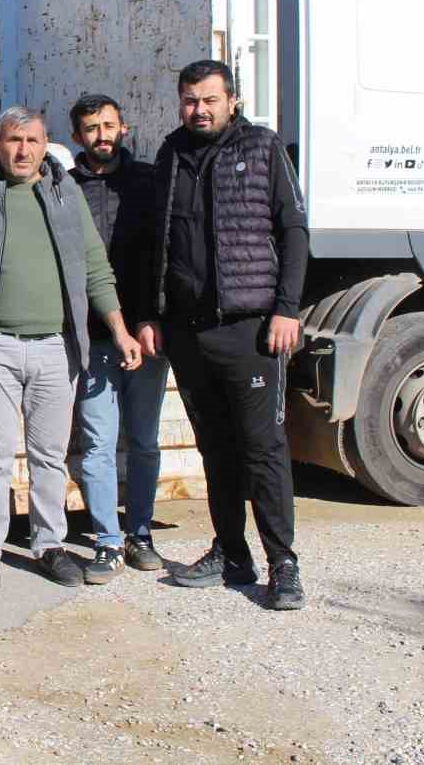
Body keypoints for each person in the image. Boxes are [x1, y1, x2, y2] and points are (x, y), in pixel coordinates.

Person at [0, 106, 143, 592]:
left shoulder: (66, 194)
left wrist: (119, 329)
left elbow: (95, 267)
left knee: (49, 455)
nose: (23, 150)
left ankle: (49, 545)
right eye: (13, 140)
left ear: (45, 145)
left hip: (55, 347)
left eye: (32, 140)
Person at [137, 59, 309, 611]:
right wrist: (151, 313)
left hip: (250, 329)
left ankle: (283, 564)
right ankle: (231, 553)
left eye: (210, 99)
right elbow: (156, 241)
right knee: (215, 449)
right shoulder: (171, 153)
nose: (199, 109)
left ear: (232, 100)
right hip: (189, 332)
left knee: (263, 449)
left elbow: (294, 229)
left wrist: (286, 309)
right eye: (190, 100)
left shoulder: (262, 148)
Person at [67, 94, 172, 583]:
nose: (101, 135)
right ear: (77, 136)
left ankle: (141, 533)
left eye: (109, 126)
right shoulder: (64, 188)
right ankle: (108, 540)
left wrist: (152, 317)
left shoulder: (148, 182)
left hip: (146, 333)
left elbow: (165, 256)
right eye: (91, 128)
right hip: (92, 337)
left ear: (123, 129)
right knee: (98, 442)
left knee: (144, 440)